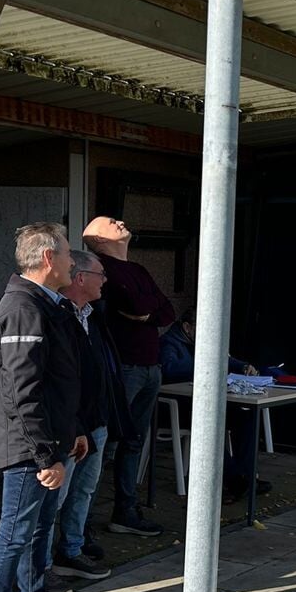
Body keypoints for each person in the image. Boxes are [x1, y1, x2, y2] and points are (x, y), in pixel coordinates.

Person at [0, 222, 92, 592]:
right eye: (66, 254)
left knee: (40, 527)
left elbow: (59, 379)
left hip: (50, 443)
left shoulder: (45, 304)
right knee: (14, 534)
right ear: (47, 259)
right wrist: (47, 455)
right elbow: (22, 392)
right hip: (29, 450)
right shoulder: (23, 309)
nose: (71, 262)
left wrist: (74, 430)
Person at [82, 215, 171, 537]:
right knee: (104, 444)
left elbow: (166, 311)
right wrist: (149, 310)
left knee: (134, 440)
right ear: (99, 240)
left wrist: (147, 313)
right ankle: (83, 522)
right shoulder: (101, 270)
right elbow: (136, 303)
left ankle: (125, 510)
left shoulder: (139, 270)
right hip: (124, 368)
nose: (119, 221)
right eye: (109, 222)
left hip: (150, 366)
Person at [46, 249, 125, 585]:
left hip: (97, 420)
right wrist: (75, 425)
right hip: (69, 425)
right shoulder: (55, 315)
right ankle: (42, 565)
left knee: (85, 490)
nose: (105, 281)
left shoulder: (92, 315)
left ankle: (72, 549)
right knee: (55, 498)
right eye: (100, 275)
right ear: (80, 278)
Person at [159, 305, 267, 502]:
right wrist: (206, 363)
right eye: (203, 327)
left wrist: (242, 366)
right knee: (210, 424)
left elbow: (226, 360)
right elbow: (169, 369)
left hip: (201, 405)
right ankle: (233, 478)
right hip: (179, 408)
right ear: (187, 327)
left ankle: (245, 477)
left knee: (247, 416)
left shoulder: (202, 343)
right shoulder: (169, 343)